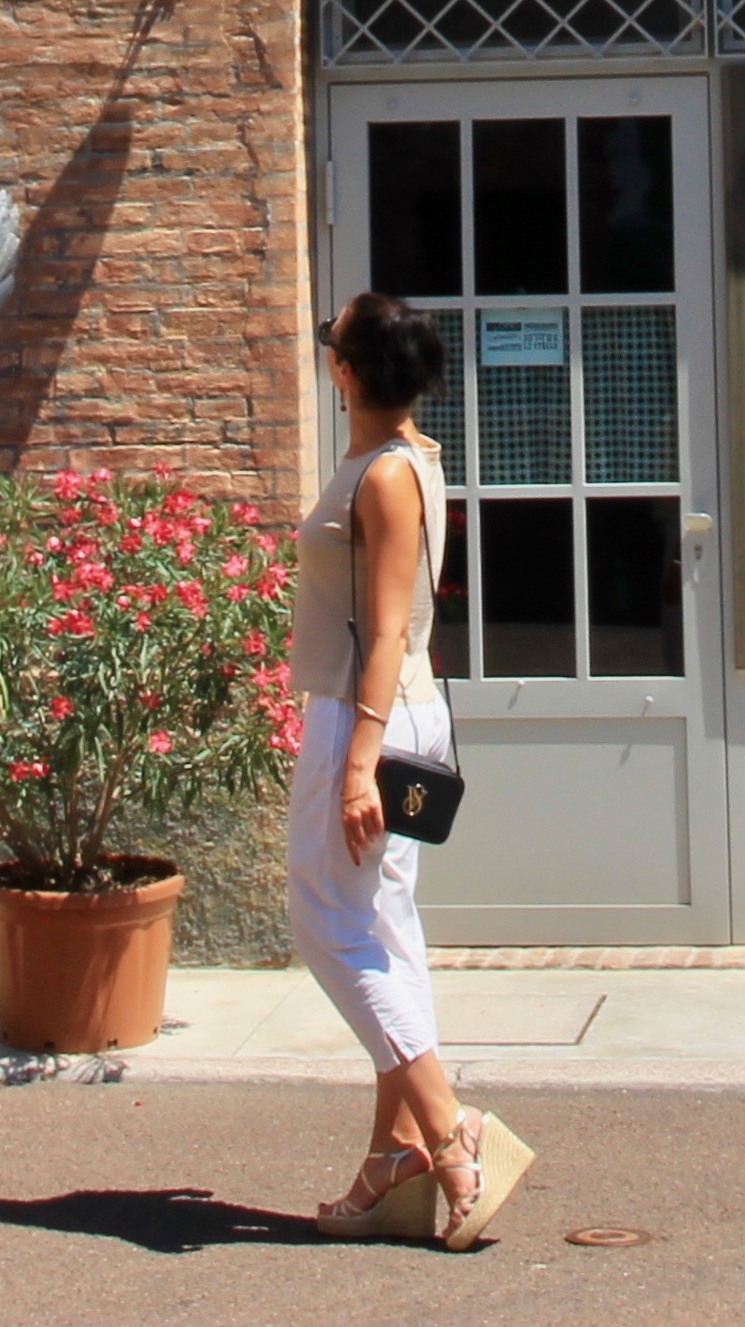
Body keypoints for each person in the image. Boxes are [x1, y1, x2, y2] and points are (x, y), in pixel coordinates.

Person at [291, 293, 531, 1247]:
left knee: (326, 923)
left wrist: (357, 763)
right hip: (388, 714)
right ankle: (392, 1160)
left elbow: (388, 627)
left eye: (330, 346)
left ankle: (449, 1130)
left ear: (346, 372)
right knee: (385, 928)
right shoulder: (405, 460)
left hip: (368, 716)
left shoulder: (386, 475)